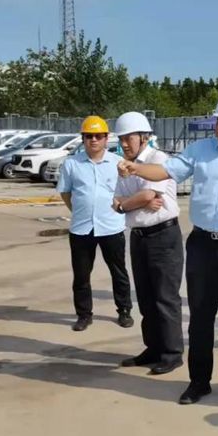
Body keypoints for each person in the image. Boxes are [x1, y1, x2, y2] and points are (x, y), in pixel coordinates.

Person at [118, 93, 218, 406]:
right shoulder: (200, 151)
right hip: (203, 245)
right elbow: (165, 171)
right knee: (200, 317)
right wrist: (136, 169)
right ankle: (199, 381)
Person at [114, 112, 184, 375]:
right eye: (121, 139)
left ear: (143, 137)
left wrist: (128, 202)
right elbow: (118, 199)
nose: (125, 144)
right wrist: (129, 203)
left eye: (129, 138)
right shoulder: (124, 165)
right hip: (139, 236)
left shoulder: (159, 161)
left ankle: (172, 352)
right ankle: (153, 347)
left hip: (163, 236)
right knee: (145, 296)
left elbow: (148, 194)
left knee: (165, 296)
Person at [57, 116, 133, 332]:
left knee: (118, 272)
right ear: (83, 139)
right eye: (89, 136)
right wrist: (81, 211)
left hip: (111, 226)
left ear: (106, 138)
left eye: (98, 136)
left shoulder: (117, 163)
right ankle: (83, 315)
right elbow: (65, 193)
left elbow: (127, 192)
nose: (93, 140)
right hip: (82, 228)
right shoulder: (72, 163)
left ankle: (124, 311)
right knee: (81, 275)